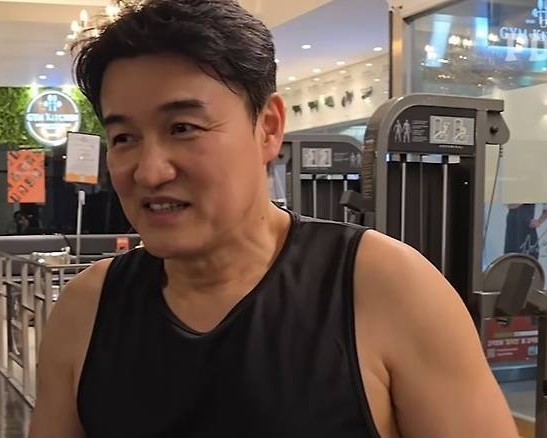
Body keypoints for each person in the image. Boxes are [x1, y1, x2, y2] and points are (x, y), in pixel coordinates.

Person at [29, 1, 518, 437]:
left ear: (267, 128)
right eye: (124, 138)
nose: (150, 171)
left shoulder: (387, 287)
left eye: (183, 128)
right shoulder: (87, 309)